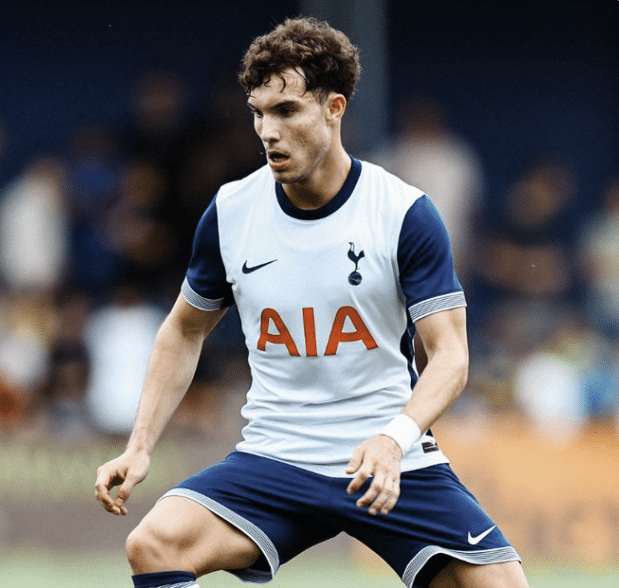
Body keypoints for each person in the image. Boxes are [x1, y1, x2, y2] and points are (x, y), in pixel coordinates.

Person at [95, 17, 529, 588]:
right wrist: (139, 446)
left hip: (389, 453)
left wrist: (394, 439)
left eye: (286, 111)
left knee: (501, 585)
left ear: (334, 108)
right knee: (153, 544)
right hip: (276, 456)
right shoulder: (231, 212)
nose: (268, 131)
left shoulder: (403, 213)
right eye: (258, 113)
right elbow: (183, 329)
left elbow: (450, 357)